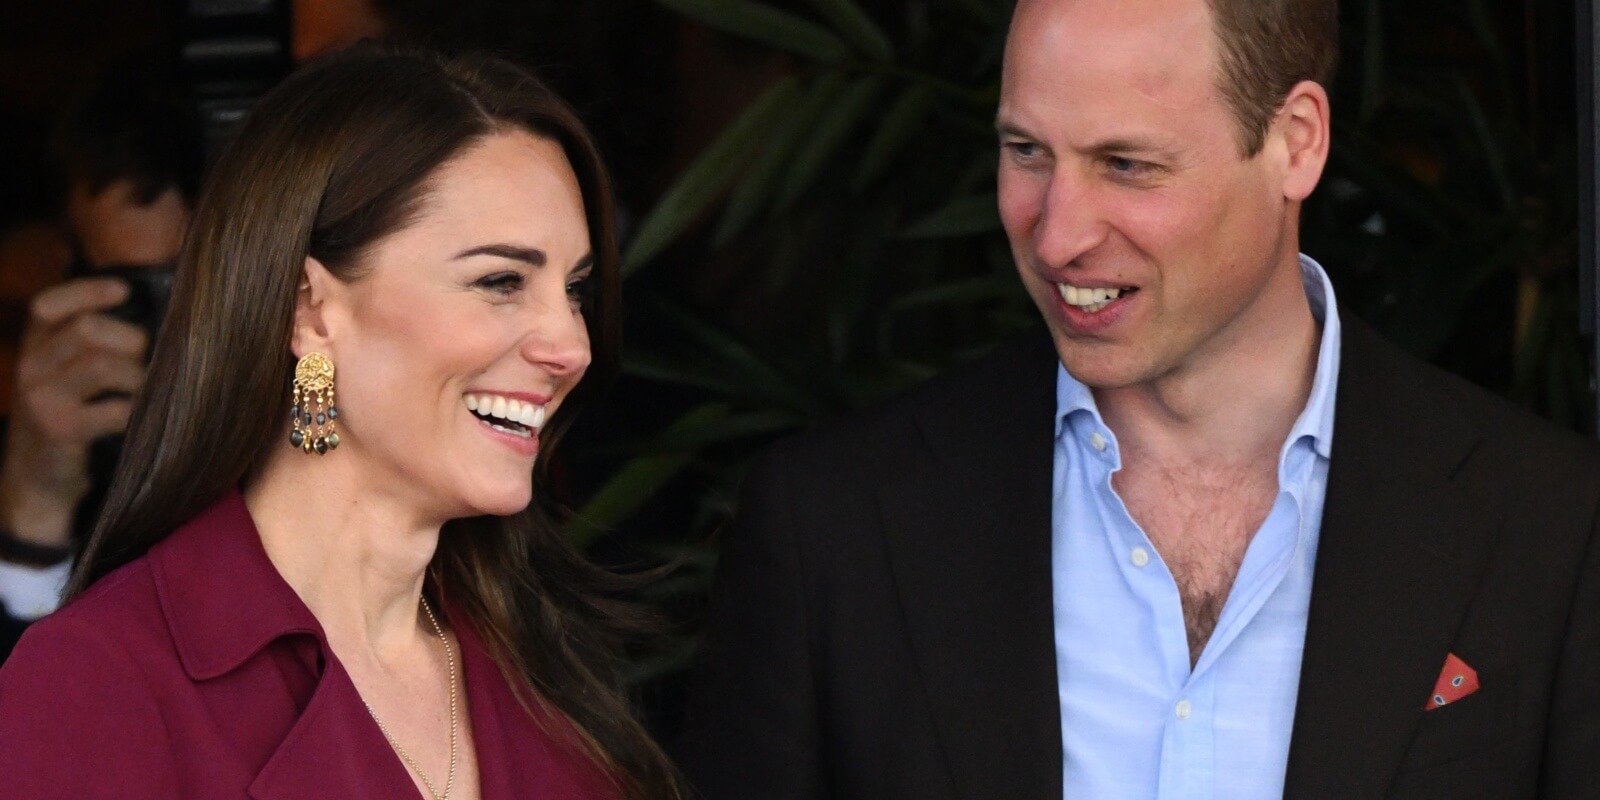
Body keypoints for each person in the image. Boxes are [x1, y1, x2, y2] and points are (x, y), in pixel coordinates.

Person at [677, 0, 1600, 798]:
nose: (1058, 235)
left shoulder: (1547, 524)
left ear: (1296, 144)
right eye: (1026, 151)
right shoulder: (831, 524)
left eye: (1127, 164)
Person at [0, 43, 679, 799]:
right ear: (309, 309)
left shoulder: (549, 676)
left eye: (576, 290)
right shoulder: (98, 685)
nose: (571, 347)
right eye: (501, 281)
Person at [0, 63, 195, 659]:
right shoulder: (47, 437)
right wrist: (37, 500)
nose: (177, 327)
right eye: (139, 292)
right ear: (64, 269)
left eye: (197, 283)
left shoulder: (317, 406)